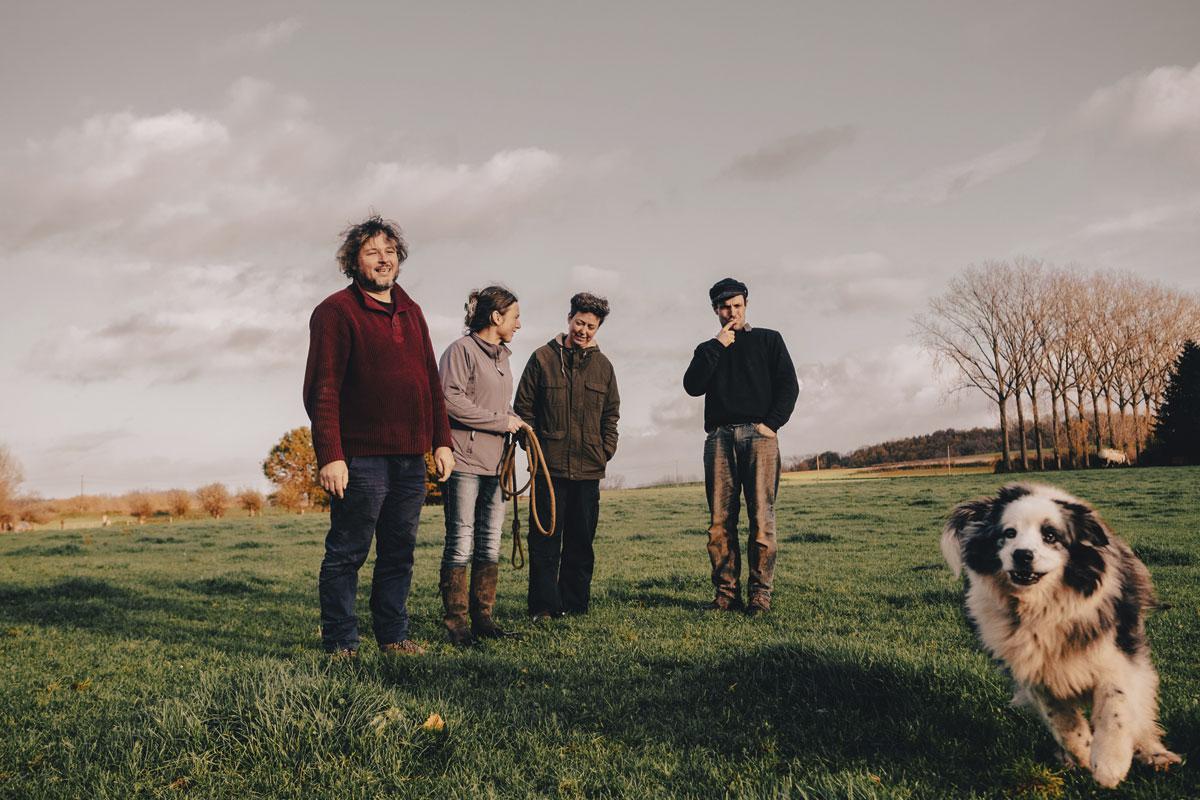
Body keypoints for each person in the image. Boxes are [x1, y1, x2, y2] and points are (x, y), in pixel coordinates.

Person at [303, 214, 454, 657]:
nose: (383, 259)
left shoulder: (412, 311)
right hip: (360, 459)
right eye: (372, 252)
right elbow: (323, 387)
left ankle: (393, 637)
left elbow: (430, 381)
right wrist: (330, 454)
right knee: (348, 553)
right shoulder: (335, 312)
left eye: (390, 251)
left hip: (409, 456)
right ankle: (341, 642)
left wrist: (441, 441)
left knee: (399, 552)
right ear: (354, 262)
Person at [683, 278, 798, 616]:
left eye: (737, 305)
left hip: (759, 437)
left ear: (746, 304)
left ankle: (760, 595)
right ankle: (725, 594)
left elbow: (789, 386)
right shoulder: (708, 349)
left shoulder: (768, 340)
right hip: (719, 439)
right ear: (715, 310)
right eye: (724, 307)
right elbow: (692, 386)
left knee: (762, 519)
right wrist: (718, 345)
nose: (731, 312)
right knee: (719, 522)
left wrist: (770, 425)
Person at [514, 292, 619, 619]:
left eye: (591, 326)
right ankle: (543, 607)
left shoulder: (604, 367)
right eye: (579, 322)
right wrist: (534, 452)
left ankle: (575, 605)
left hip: (589, 471)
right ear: (569, 318)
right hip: (549, 471)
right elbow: (523, 412)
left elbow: (611, 416)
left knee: (581, 542)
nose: (583, 330)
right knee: (544, 542)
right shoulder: (542, 359)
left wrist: (605, 450)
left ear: (598, 327)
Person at [437, 286, 525, 646]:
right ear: (496, 317)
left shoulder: (503, 357)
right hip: (466, 460)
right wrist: (499, 422)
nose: (519, 324)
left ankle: (483, 618)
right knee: (461, 541)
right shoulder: (461, 351)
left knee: (490, 541)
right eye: (515, 316)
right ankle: (457, 624)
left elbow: (497, 406)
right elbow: (449, 401)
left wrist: (514, 421)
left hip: (497, 462)